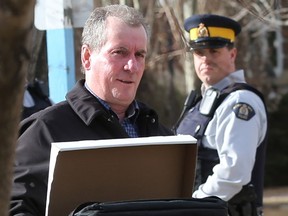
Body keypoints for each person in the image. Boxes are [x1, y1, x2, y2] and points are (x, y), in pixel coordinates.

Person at [10, 4, 173, 216]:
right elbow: (12, 206)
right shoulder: (46, 131)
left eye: (139, 55)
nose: (132, 66)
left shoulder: (161, 136)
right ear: (86, 57)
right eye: (119, 52)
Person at [175, 14, 268, 216]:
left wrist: (190, 206)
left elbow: (233, 173)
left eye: (214, 51)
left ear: (232, 54)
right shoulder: (203, 102)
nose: (206, 59)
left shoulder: (239, 101)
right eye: (199, 52)